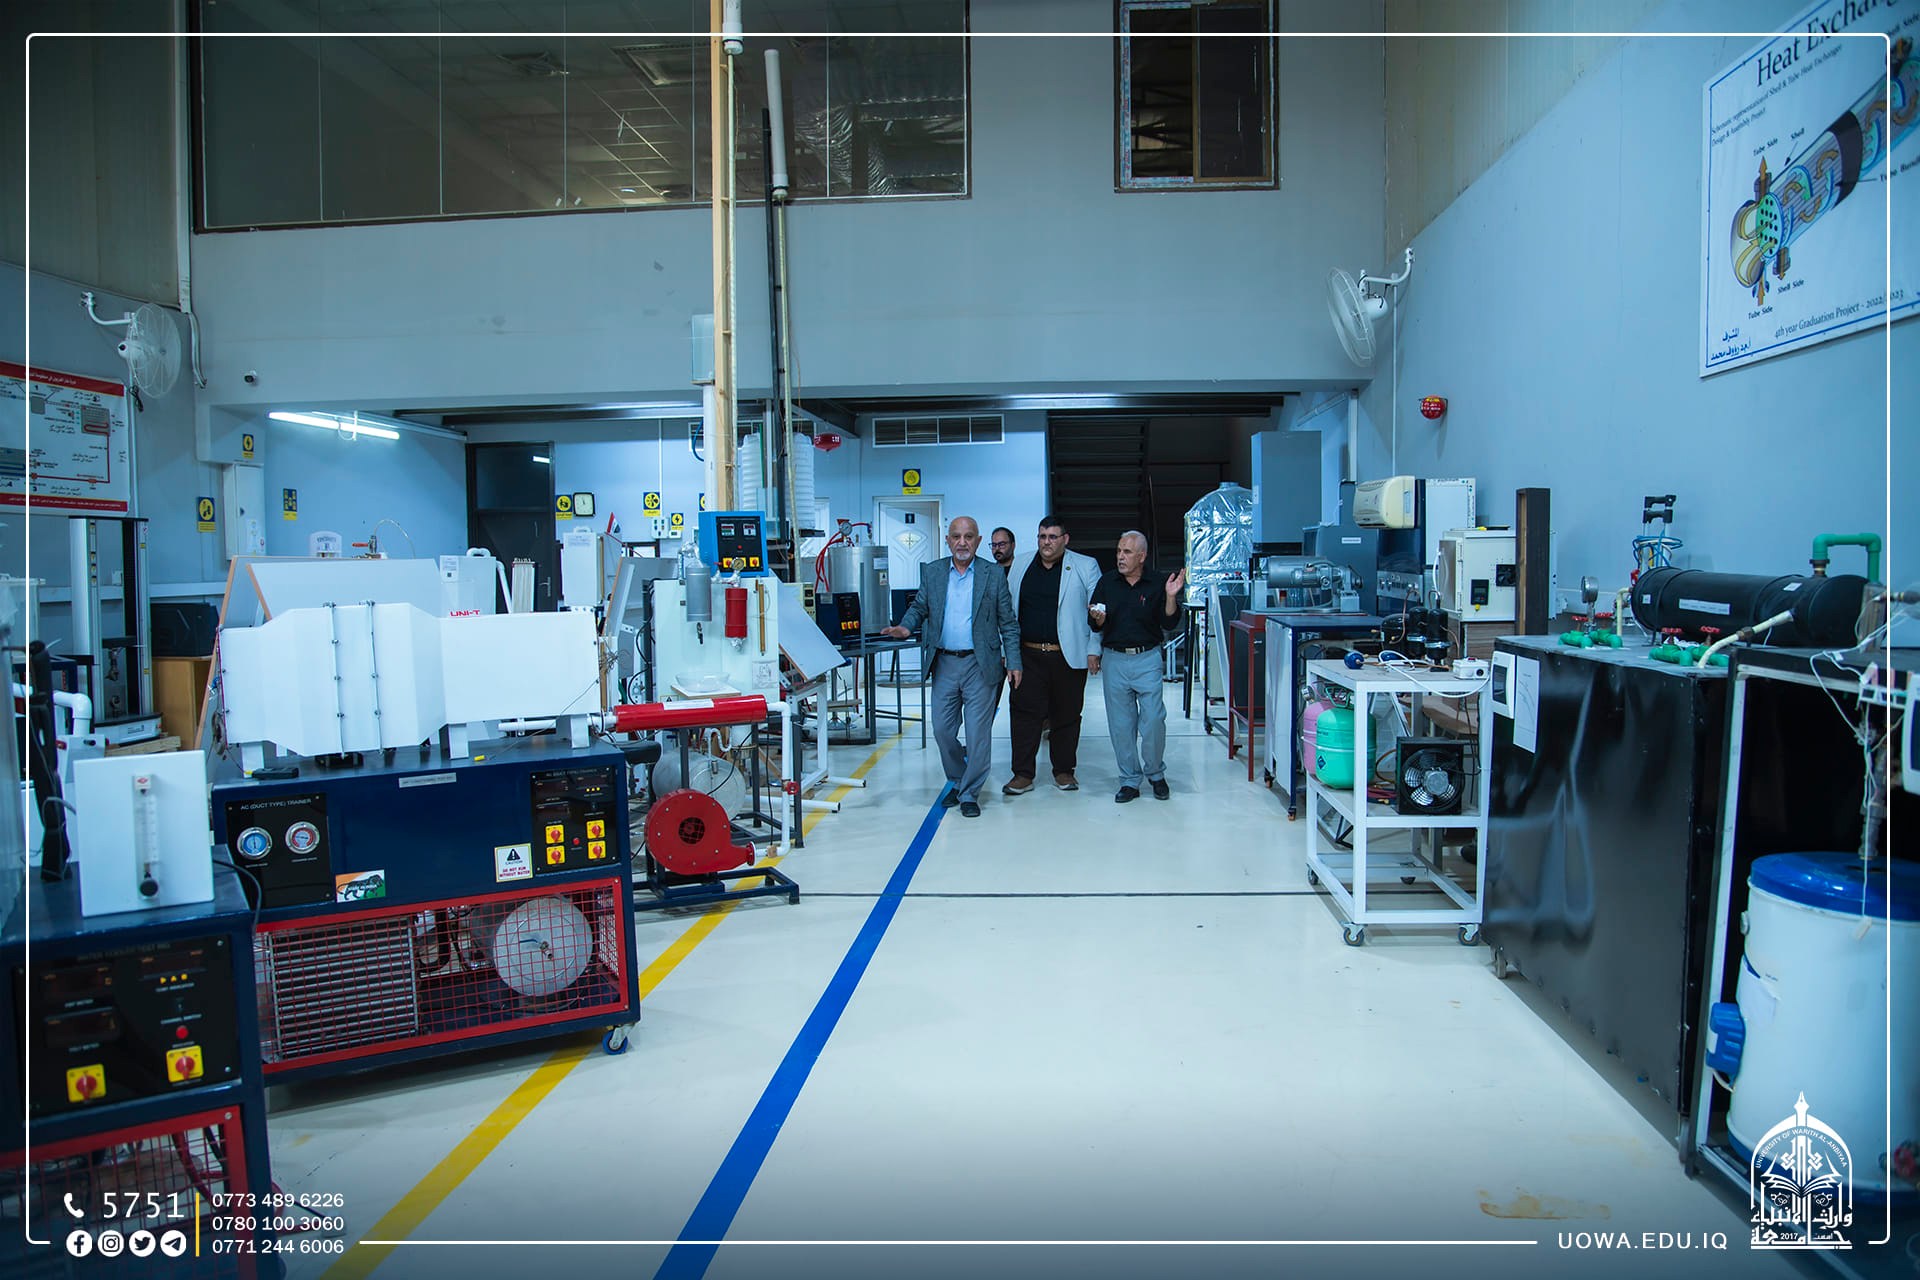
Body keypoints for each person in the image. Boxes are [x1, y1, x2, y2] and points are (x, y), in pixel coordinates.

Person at [882, 517, 1022, 817]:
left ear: (978, 541)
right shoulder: (933, 572)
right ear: (948, 540)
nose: (962, 542)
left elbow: (1008, 622)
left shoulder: (993, 574)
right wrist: (905, 627)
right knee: (943, 729)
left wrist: (1014, 661)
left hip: (980, 664)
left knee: (978, 734)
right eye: (956, 536)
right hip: (944, 662)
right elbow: (919, 607)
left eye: (969, 537)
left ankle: (969, 793)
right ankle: (958, 779)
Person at [1002, 515, 1102, 795]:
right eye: (1042, 537)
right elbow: (1006, 612)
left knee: (1067, 715)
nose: (1046, 542)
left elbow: (1098, 611)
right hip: (1027, 655)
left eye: (1053, 537)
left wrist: (1094, 649)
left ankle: (1064, 771)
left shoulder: (1085, 566)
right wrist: (1007, 653)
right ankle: (1022, 774)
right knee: (1023, 715)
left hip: (1067, 656)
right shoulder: (1021, 564)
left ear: (1065, 539)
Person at [1088, 531, 1185, 803]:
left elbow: (1168, 622)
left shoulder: (1158, 582)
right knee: (1121, 725)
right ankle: (1130, 779)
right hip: (1115, 660)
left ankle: (1155, 773)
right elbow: (1094, 621)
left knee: (1153, 719)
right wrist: (1097, 618)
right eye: (1119, 551)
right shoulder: (1107, 582)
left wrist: (1170, 597)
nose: (1120, 556)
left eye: (1127, 552)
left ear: (1141, 556)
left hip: (1147, 659)